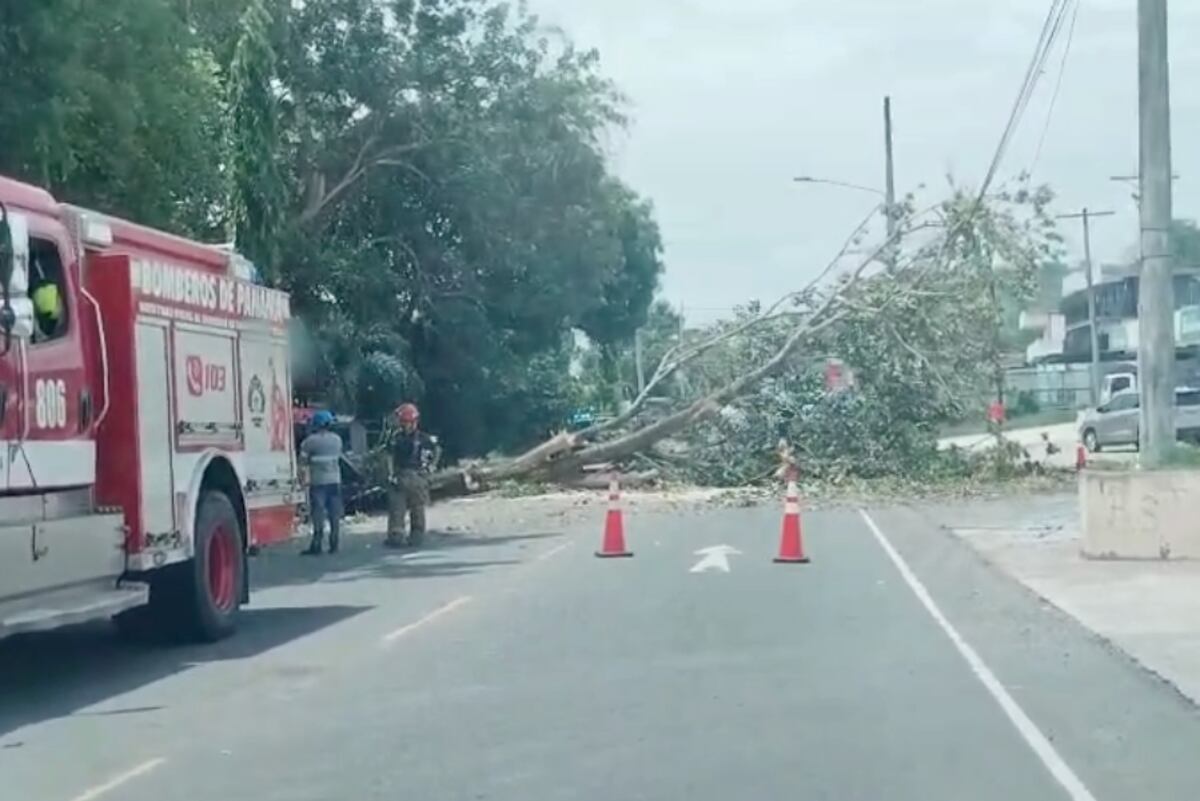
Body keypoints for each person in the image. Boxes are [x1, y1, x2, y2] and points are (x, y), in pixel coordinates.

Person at [385, 403, 440, 548]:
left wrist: (430, 467)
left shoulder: (400, 438)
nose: (402, 425)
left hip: (414, 476)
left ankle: (414, 536)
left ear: (412, 421)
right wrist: (432, 467)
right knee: (399, 508)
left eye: (404, 421)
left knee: (415, 508)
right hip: (404, 476)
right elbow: (389, 457)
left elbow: (389, 457)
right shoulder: (421, 438)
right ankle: (399, 536)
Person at [299, 410, 344, 555]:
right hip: (335, 481)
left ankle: (317, 545)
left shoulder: (310, 442)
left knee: (318, 514)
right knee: (334, 514)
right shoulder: (337, 440)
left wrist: (301, 481)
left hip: (318, 483)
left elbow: (302, 462)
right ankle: (334, 544)